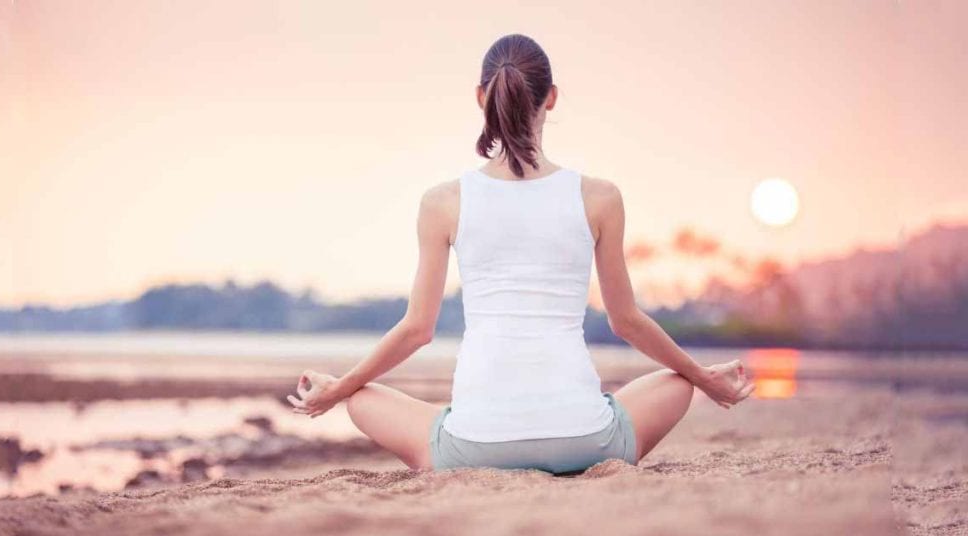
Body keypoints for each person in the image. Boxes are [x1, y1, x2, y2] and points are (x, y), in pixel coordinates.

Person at [286, 33, 755, 473]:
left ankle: (465, 432)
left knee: (364, 399)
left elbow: (417, 330)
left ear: (479, 97)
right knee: (677, 383)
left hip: (473, 448)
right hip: (586, 442)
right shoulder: (599, 197)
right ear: (550, 97)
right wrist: (703, 377)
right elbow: (626, 320)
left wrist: (339, 389)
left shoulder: (444, 201)